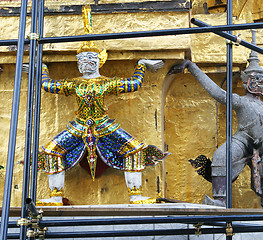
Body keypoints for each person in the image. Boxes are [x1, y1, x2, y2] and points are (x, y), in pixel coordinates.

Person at [33, 5, 169, 206]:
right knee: (52, 151)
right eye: (82, 60)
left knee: (135, 150)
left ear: (99, 61)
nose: (85, 63)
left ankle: (136, 196)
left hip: (105, 125)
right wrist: (42, 68)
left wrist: (141, 64)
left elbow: (133, 84)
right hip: (79, 126)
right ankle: (55, 197)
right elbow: (48, 85)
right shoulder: (73, 83)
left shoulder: (106, 82)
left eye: (90, 59)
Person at [168, 30, 263, 208]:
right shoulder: (241, 101)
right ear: (247, 82)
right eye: (256, 80)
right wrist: (192, 67)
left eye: (262, 81)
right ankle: (221, 200)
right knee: (220, 157)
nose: (259, 84)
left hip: (259, 146)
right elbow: (218, 93)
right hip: (242, 140)